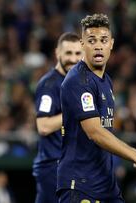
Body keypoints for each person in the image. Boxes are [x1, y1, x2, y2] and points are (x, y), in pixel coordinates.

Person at [57, 13, 136, 202]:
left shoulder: (106, 81)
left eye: (103, 40)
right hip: (80, 185)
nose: (98, 45)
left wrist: (135, 153)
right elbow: (95, 132)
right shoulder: (77, 81)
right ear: (82, 44)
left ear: (111, 44)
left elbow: (105, 131)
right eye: (91, 40)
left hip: (105, 183)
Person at [33, 32, 82, 203]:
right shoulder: (49, 84)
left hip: (72, 166)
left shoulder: (79, 82)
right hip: (53, 166)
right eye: (68, 53)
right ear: (57, 53)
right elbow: (43, 126)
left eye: (77, 53)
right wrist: (75, 112)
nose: (73, 59)